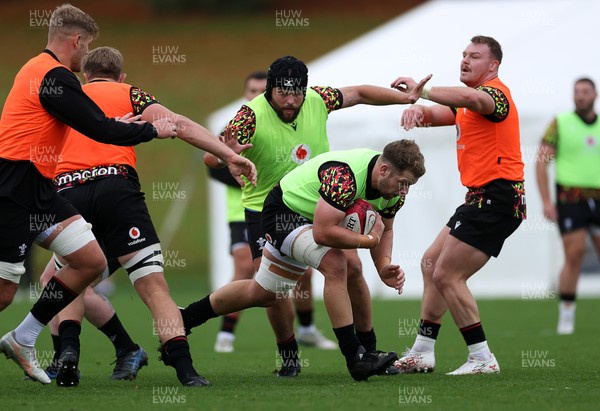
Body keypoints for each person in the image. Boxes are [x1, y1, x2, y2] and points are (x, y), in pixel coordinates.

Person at [185, 55, 431, 376]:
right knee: (269, 293)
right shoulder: (249, 116)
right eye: (282, 93)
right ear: (270, 90)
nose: (290, 101)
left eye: (296, 93)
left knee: (349, 268)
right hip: (268, 208)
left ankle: (367, 352)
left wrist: (405, 97)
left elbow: (358, 93)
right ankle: (290, 357)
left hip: (324, 200)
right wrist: (226, 156)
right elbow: (209, 158)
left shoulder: (318, 98)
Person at [35, 45, 256, 388]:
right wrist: (228, 154)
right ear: (121, 77)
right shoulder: (130, 94)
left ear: (84, 75)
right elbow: (179, 125)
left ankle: (69, 355)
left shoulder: (69, 96)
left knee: (66, 281)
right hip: (117, 189)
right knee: (153, 288)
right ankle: (185, 371)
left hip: (70, 191)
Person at [0, 3, 176, 385]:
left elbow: (92, 122)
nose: (85, 56)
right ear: (76, 40)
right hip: (13, 189)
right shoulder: (55, 77)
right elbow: (97, 128)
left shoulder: (37, 69)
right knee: (2, 294)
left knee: (90, 260)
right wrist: (151, 131)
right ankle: (26, 336)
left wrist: (114, 124)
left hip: (39, 190)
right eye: (86, 46)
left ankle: (23, 337)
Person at [390, 35, 526, 375]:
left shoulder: (495, 94)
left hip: (499, 197)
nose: (465, 60)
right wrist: (417, 111)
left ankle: (482, 358)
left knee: (448, 274)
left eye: (474, 56)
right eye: (463, 55)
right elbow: (442, 113)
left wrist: (422, 91)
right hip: (481, 198)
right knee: (431, 262)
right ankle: (423, 351)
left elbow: (468, 97)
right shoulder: (467, 103)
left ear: (493, 65)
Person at [209, 71, 336, 353]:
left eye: (260, 89)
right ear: (245, 94)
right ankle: (226, 332)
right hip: (248, 212)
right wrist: (236, 165)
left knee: (306, 273)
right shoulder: (240, 124)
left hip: (290, 209)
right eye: (250, 90)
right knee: (253, 274)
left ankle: (307, 329)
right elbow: (211, 163)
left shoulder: (291, 117)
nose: (255, 95)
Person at [535, 77, 600, 335]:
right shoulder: (560, 123)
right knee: (574, 255)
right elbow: (541, 163)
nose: (580, 96)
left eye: (585, 92)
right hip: (570, 199)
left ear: (595, 94)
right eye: (577, 92)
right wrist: (547, 202)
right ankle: (566, 317)